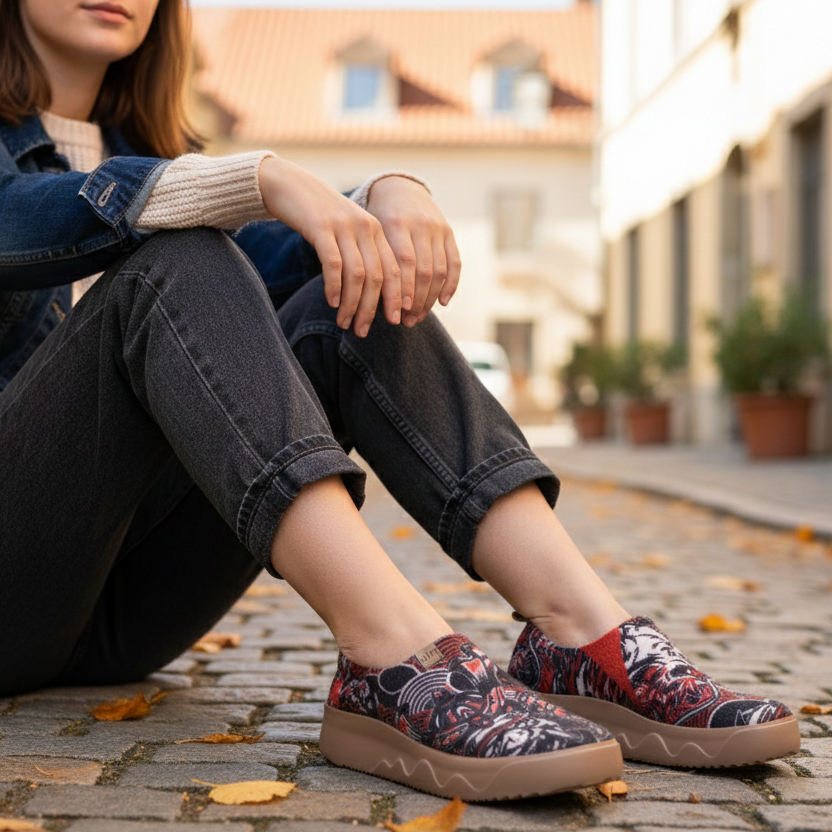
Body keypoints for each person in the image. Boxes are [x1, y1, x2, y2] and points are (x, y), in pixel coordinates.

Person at [0, 0, 799, 802]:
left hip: (133, 609)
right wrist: (260, 176)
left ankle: (582, 637)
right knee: (176, 257)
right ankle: (395, 654)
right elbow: (21, 215)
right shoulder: (148, 178)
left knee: (356, 293)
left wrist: (385, 192)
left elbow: (299, 252)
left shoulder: (158, 155)